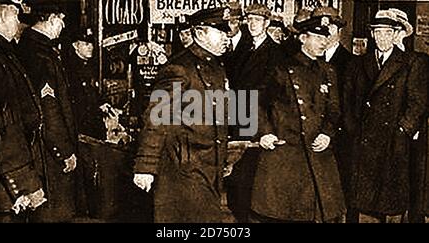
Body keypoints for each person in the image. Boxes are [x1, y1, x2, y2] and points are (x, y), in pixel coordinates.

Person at [132, 7, 231, 223]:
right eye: (220, 31)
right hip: (183, 168)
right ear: (200, 32)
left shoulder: (216, 66)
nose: (227, 37)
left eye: (226, 32)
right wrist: (145, 166)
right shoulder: (179, 68)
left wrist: (224, 156)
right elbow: (157, 116)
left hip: (207, 166)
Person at [250, 11, 346, 223]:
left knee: (318, 214)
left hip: (318, 155)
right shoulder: (282, 69)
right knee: (283, 215)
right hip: (286, 155)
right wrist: (264, 133)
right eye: (318, 37)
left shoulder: (328, 71)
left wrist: (327, 134)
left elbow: (335, 111)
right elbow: (254, 103)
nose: (324, 42)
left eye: (325, 38)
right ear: (303, 38)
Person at [346, 9, 428, 223]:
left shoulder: (411, 63)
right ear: (373, 35)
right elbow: (349, 101)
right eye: (378, 32)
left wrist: (402, 131)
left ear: (395, 34)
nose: (382, 37)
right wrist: (355, 130)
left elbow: (418, 103)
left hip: (394, 143)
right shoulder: (358, 64)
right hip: (364, 142)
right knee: (366, 205)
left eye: (387, 32)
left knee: (391, 204)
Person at [0, 0, 46, 223]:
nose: (18, 25)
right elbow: (2, 126)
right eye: (17, 17)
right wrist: (24, 185)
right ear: (5, 13)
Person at [17, 0, 79, 222]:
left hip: (37, 147)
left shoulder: (26, 48)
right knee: (55, 212)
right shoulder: (40, 54)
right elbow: (48, 107)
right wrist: (63, 150)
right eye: (62, 20)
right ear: (53, 19)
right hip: (46, 152)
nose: (62, 26)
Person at [224, 3, 285, 223]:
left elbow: (271, 90)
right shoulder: (243, 47)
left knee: (249, 180)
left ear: (267, 24)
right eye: (249, 20)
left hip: (257, 121)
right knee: (235, 178)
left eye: (257, 20)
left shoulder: (275, 52)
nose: (252, 24)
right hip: (237, 117)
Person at [312, 6, 357, 221]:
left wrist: (333, 133)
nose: (324, 33)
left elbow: (349, 106)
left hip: (339, 140)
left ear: (339, 31)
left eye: (329, 28)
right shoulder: (305, 61)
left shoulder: (351, 63)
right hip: (311, 138)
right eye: (319, 29)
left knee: (337, 199)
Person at [388, 8, 429, 223]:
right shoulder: (375, 59)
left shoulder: (416, 60)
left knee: (413, 184)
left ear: (404, 32)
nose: (392, 35)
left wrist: (405, 128)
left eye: (396, 29)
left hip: (409, 136)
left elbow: (419, 100)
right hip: (384, 135)